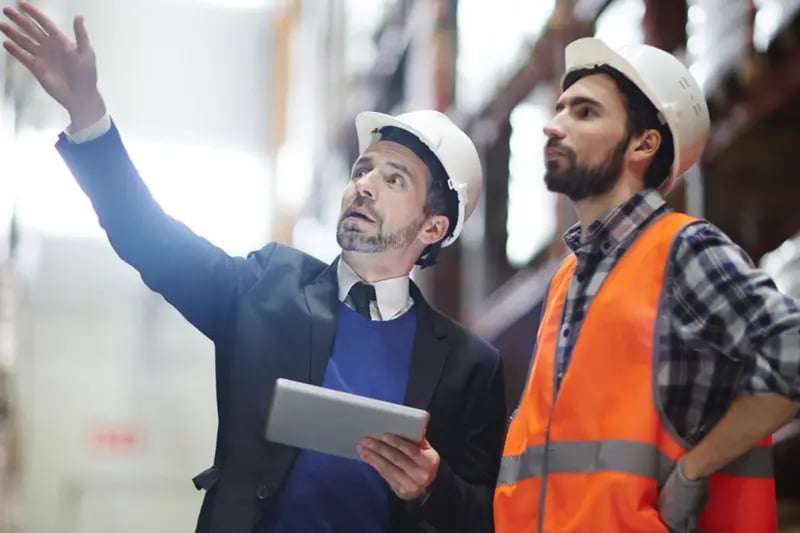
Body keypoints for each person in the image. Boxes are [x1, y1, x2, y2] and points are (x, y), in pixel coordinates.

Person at [0, 4, 507, 533]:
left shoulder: (469, 367)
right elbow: (149, 238)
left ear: (432, 227)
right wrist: (88, 115)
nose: (364, 184)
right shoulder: (268, 285)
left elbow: (487, 519)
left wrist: (432, 486)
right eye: (362, 169)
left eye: (394, 179)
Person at [493, 37, 800, 533]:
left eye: (585, 112)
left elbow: (792, 351)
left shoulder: (683, 251)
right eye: (559, 109)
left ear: (643, 144)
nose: (554, 126)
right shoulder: (567, 284)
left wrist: (694, 470)